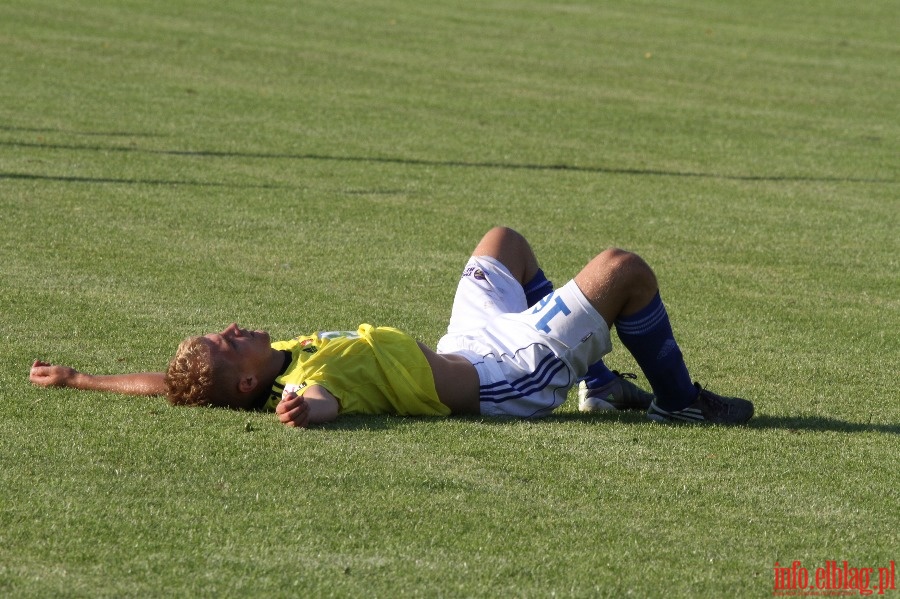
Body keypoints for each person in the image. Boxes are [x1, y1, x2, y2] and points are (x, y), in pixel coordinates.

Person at [29, 227, 753, 427]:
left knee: (501, 240)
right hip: (504, 375)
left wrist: (80, 376)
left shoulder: (267, 359)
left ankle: (598, 384)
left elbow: (176, 385)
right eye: (228, 340)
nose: (233, 325)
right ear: (251, 379)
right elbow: (318, 403)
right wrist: (301, 412)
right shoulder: (301, 379)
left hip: (461, 341)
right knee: (621, 267)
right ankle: (679, 399)